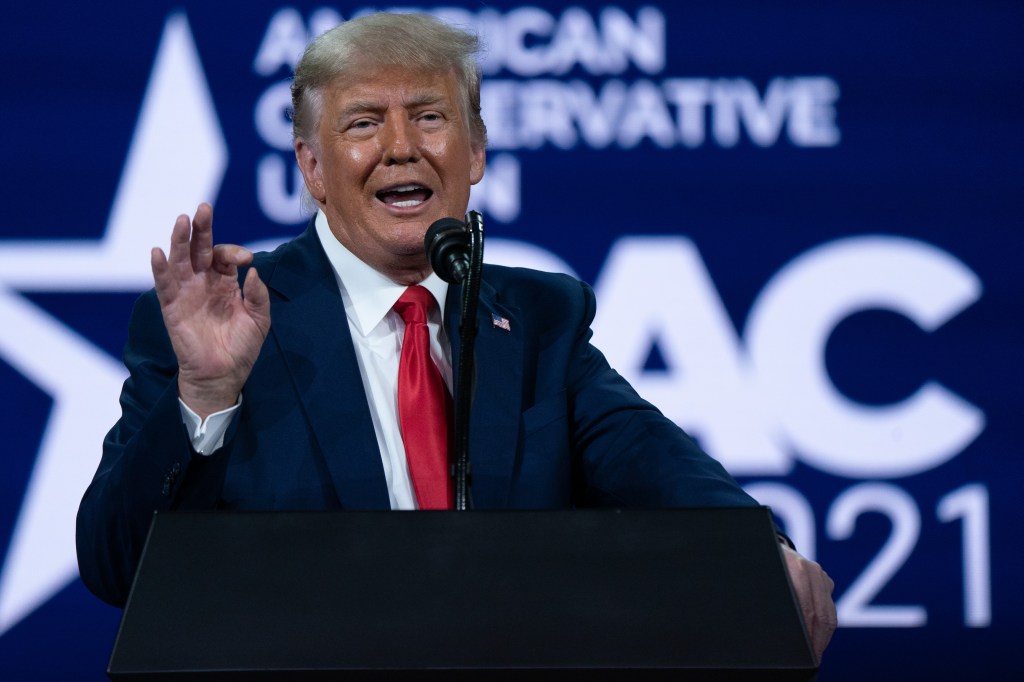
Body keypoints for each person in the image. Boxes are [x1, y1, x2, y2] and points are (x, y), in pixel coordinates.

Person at [76, 12, 836, 661]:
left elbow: (655, 462)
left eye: (429, 118)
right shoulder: (232, 319)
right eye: (364, 122)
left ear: (474, 153)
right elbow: (116, 568)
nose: (402, 147)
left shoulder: (540, 319)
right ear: (311, 166)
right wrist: (206, 396)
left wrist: (754, 550)